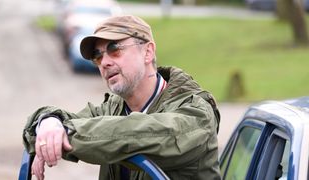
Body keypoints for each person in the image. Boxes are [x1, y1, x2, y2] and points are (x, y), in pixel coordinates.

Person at [23, 15, 221, 180]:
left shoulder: (196, 113)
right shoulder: (113, 108)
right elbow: (38, 127)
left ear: (148, 52)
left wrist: (65, 133)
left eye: (114, 49)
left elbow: (141, 133)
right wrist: (48, 123)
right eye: (98, 56)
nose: (104, 63)